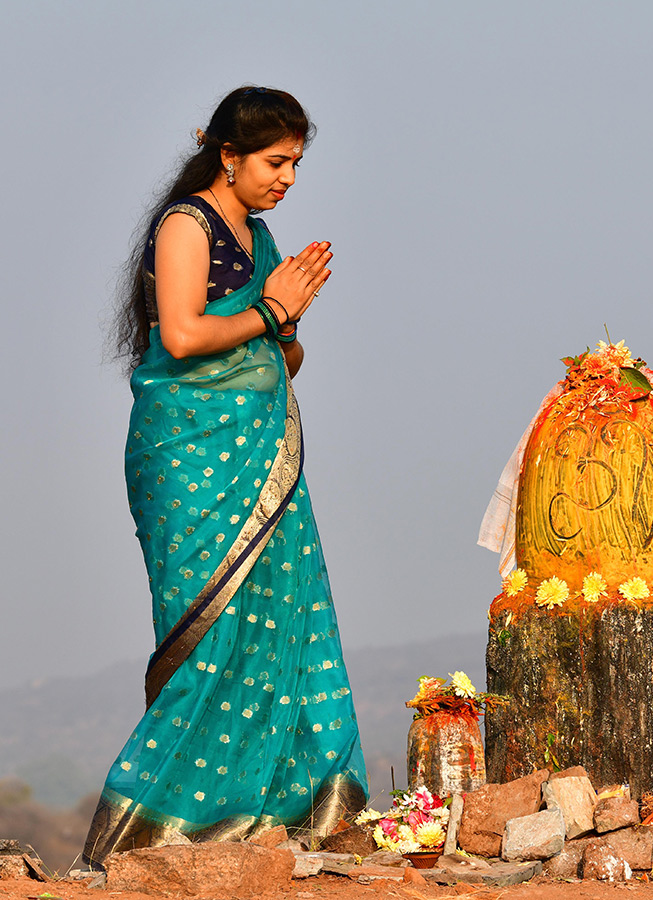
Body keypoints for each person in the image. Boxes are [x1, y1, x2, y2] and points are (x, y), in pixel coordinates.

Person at [85, 87, 368, 868]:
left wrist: (282, 329)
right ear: (228, 155)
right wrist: (272, 316)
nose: (288, 179)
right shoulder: (187, 224)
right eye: (277, 162)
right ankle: (160, 829)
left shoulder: (262, 237)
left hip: (261, 460)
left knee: (279, 619)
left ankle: (278, 817)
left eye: (297, 164)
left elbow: (283, 356)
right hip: (189, 459)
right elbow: (180, 334)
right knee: (207, 632)